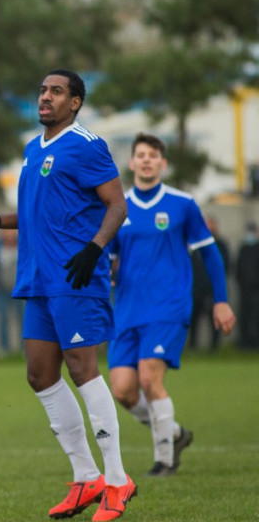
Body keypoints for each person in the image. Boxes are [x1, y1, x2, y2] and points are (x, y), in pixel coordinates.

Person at [0, 68, 134, 522]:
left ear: (75, 102)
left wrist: (94, 250)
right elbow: (42, 211)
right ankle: (86, 477)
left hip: (75, 278)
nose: (46, 97)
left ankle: (117, 479)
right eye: (42, 90)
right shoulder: (32, 148)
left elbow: (118, 204)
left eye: (56, 91)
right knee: (40, 375)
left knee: (83, 369)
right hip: (38, 277)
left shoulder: (87, 144)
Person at [107, 134, 235, 477]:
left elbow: (210, 254)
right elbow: (110, 259)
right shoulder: (119, 208)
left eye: (153, 156)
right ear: (132, 163)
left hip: (168, 307)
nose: (147, 160)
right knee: (122, 389)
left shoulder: (182, 204)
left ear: (162, 163)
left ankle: (164, 459)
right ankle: (175, 433)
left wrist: (221, 301)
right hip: (128, 310)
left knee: (150, 378)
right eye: (141, 155)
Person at [188, 216, 232, 351]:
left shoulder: (220, 246)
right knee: (194, 319)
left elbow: (224, 266)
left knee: (214, 319)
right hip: (196, 289)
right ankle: (193, 346)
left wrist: (221, 297)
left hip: (211, 290)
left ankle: (214, 347)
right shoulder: (194, 246)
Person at [237, 222, 259, 349]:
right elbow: (239, 268)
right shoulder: (243, 248)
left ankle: (255, 343)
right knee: (244, 316)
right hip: (244, 289)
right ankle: (244, 343)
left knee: (255, 317)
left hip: (256, 290)